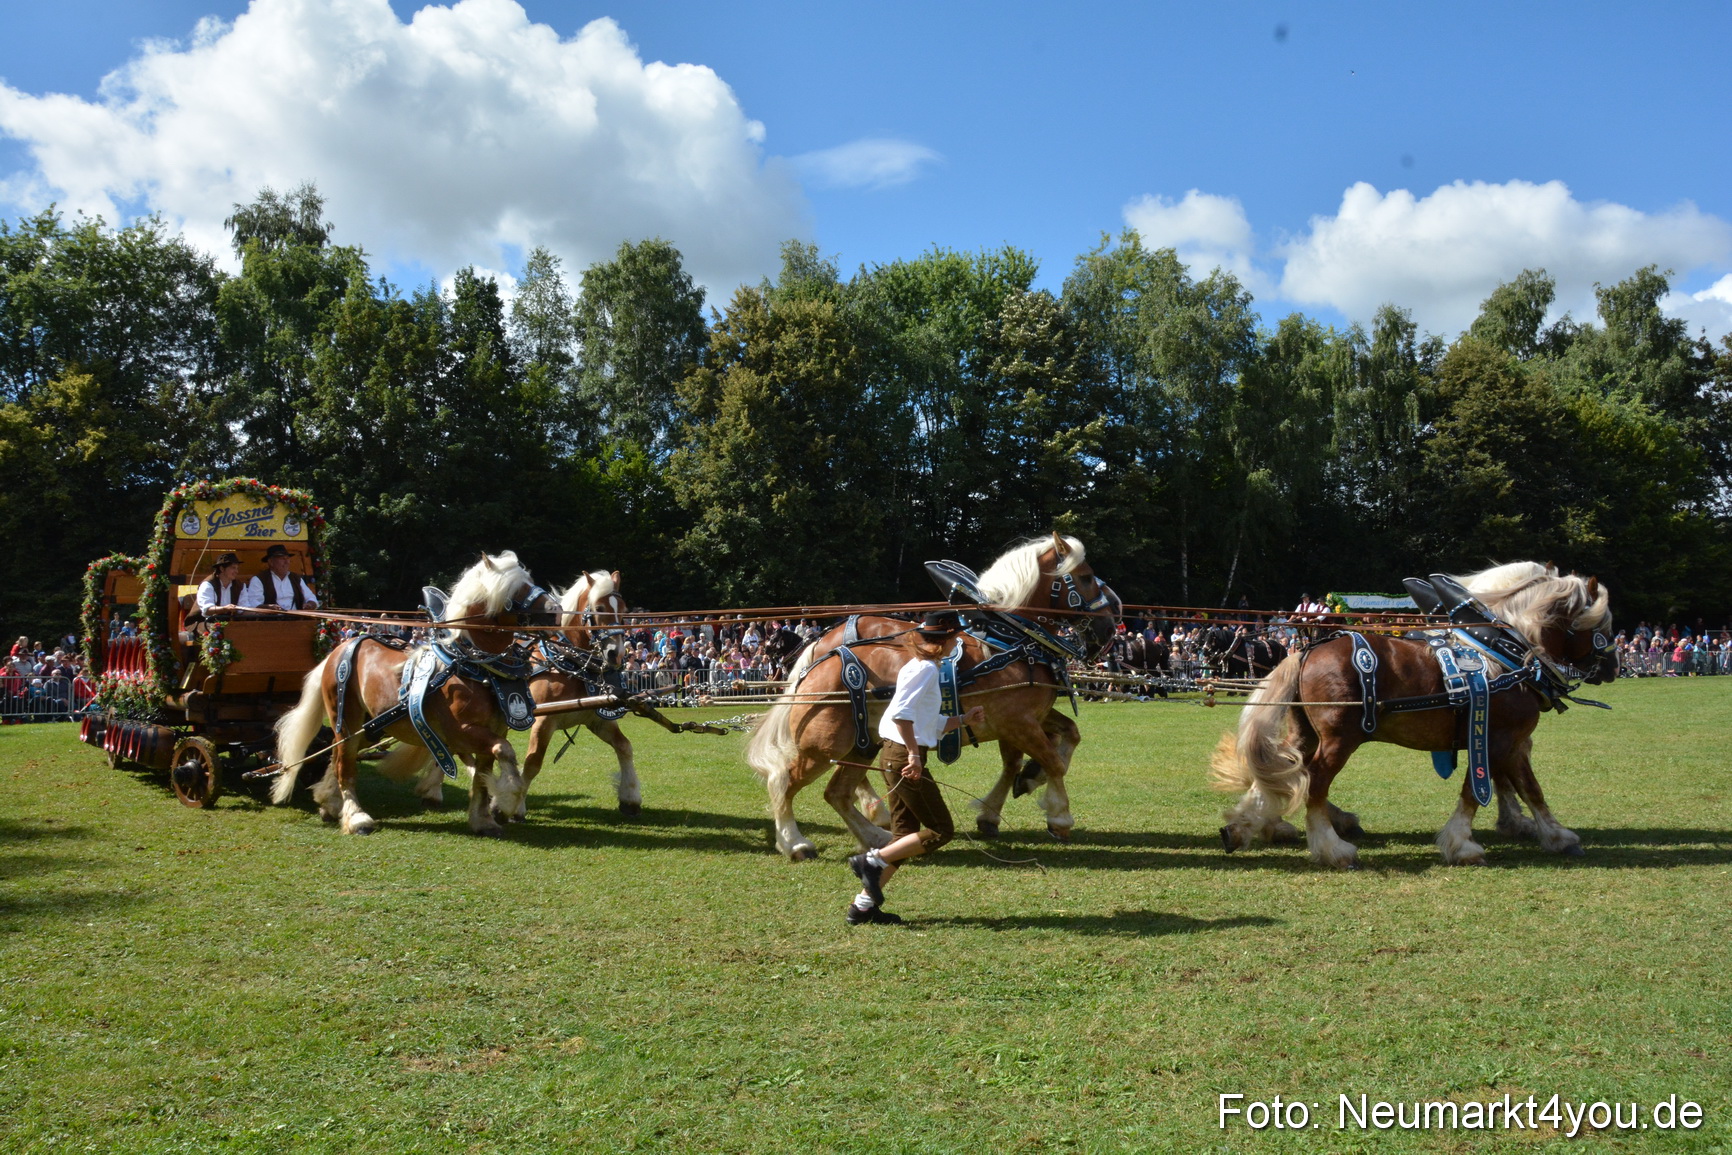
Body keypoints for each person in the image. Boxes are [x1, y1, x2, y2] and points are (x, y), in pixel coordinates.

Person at [846, 611, 986, 926]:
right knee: (940, 831)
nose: (959, 641)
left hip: (896, 754)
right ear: (947, 639)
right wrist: (914, 755)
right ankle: (871, 860)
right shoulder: (924, 671)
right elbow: (902, 714)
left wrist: (963, 720)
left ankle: (863, 908)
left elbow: (926, 721)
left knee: (905, 837)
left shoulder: (922, 667)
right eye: (956, 636)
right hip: (902, 756)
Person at [247, 543, 319, 610]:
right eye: (282, 559)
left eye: (287, 558)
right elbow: (254, 604)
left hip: (296, 619)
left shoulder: (296, 578)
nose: (286, 562)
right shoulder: (259, 579)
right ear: (271, 562)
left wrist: (310, 605)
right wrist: (269, 608)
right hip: (269, 621)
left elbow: (311, 598)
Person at [195, 552, 260, 617]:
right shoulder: (208, 585)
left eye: (237, 568)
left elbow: (243, 609)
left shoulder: (240, 586)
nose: (236, 571)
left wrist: (258, 613)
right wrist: (225, 608)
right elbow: (207, 610)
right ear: (222, 569)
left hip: (231, 624)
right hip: (205, 623)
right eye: (233, 568)